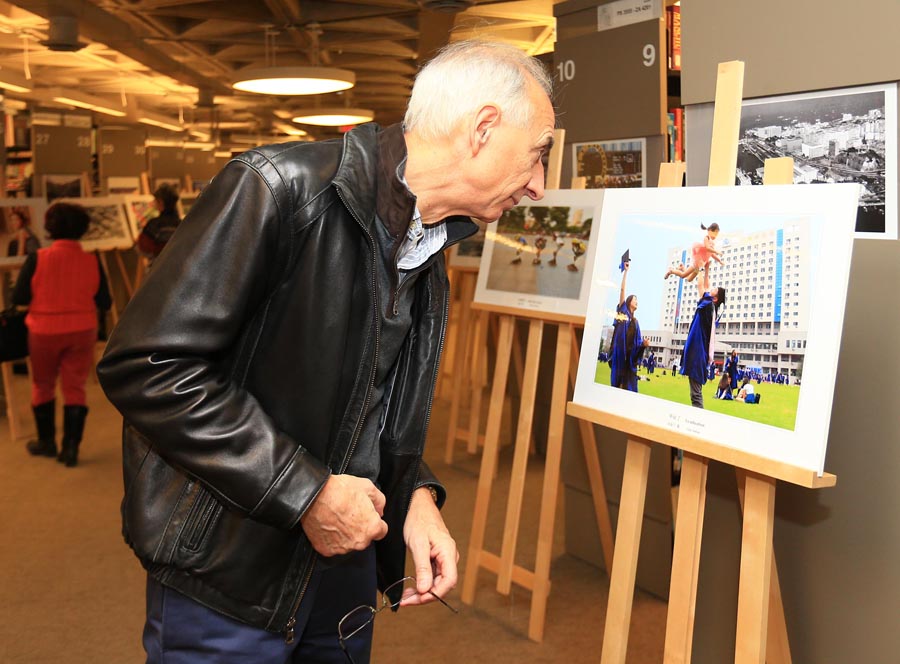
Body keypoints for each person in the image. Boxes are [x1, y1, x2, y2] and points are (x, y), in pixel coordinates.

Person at [97, 39, 556, 664]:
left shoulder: (427, 239)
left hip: (342, 560)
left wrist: (411, 494)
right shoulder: (277, 189)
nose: (538, 184)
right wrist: (306, 492)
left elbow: (359, 397)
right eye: (538, 154)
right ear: (482, 128)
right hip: (231, 564)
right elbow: (149, 365)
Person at [12, 202, 111, 466]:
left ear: (49, 227)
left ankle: (46, 443)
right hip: (82, 330)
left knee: (42, 385)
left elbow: (19, 296)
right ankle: (70, 449)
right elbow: (106, 301)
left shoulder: (38, 259)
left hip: (43, 330)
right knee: (75, 387)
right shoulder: (92, 261)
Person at [680, 270, 726, 408]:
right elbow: (706, 285)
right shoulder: (711, 308)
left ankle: (699, 419)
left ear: (715, 298)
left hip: (697, 353)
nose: (711, 289)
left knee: (695, 393)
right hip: (699, 351)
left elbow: (701, 287)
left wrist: (699, 268)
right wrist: (706, 269)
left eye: (714, 290)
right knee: (695, 392)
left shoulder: (707, 305)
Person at [609, 260, 649, 392]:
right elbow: (622, 290)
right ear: (628, 302)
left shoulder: (635, 323)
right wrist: (626, 272)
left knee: (628, 389)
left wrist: (643, 344)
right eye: (635, 299)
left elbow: (637, 344)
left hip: (629, 361)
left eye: (637, 300)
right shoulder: (623, 313)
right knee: (617, 387)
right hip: (620, 356)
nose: (637, 301)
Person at [136, 183, 181, 265]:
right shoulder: (182, 224)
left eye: (155, 200)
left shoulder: (154, 225)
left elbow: (144, 248)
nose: (154, 203)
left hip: (158, 268)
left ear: (161, 202)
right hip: (179, 268)